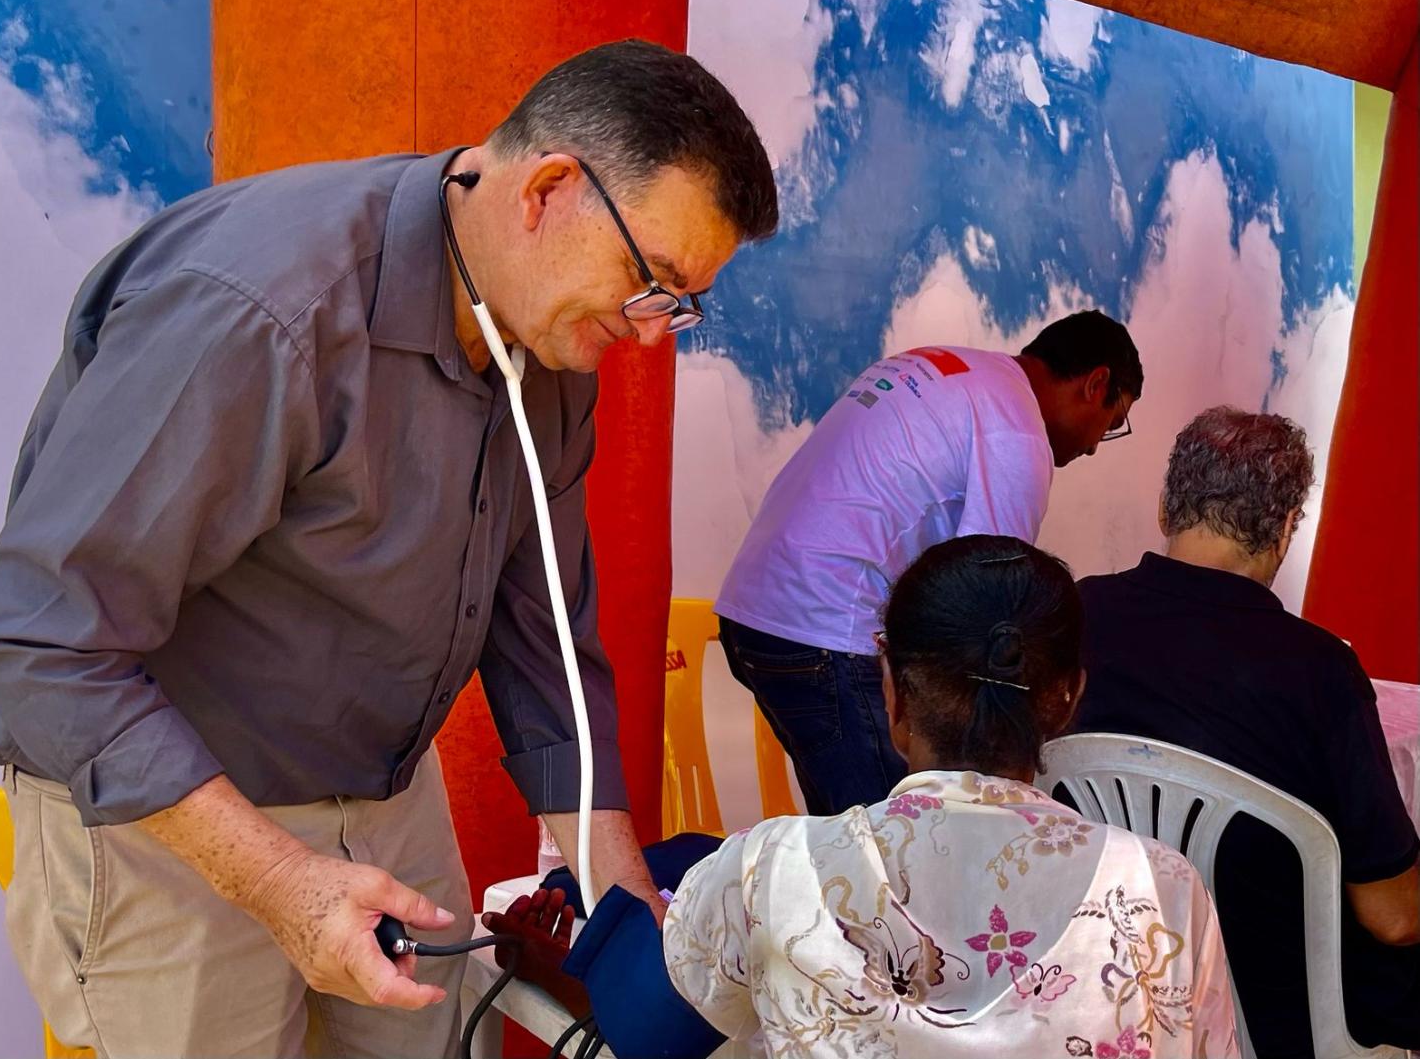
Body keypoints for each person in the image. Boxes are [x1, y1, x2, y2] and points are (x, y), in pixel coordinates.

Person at [0, 39, 777, 1058]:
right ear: (548, 193)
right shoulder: (265, 308)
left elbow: (545, 646)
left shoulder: (550, 340)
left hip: (384, 792)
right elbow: (37, 640)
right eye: (649, 280)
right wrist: (278, 880)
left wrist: (626, 912)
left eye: (680, 301)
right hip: (168, 820)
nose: (652, 331)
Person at [490, 535, 1238, 1058]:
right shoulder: (1164, 889)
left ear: (891, 690)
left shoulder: (773, 870)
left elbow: (652, 1029)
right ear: (1068, 697)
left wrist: (561, 968)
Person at [1073, 406, 1420, 1058]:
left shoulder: (1075, 615)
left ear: (1165, 507)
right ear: (1285, 528)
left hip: (1112, 972)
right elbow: (1394, 917)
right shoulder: (1318, 667)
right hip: (1279, 1011)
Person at [716, 311, 1144, 815]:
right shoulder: (1016, 429)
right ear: (1096, 384)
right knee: (896, 842)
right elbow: (990, 608)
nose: (1093, 448)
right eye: (1111, 424)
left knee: (850, 829)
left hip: (756, 613)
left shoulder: (953, 372)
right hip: (828, 631)